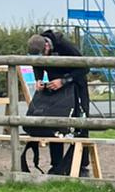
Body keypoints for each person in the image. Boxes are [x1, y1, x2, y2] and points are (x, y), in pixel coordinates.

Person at [27, 29, 91, 176]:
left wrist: (64, 81)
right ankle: (56, 164)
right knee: (54, 123)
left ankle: (81, 165)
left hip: (75, 85)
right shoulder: (40, 50)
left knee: (80, 124)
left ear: (47, 47)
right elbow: (37, 65)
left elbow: (84, 67)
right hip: (55, 87)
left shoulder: (65, 46)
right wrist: (38, 79)